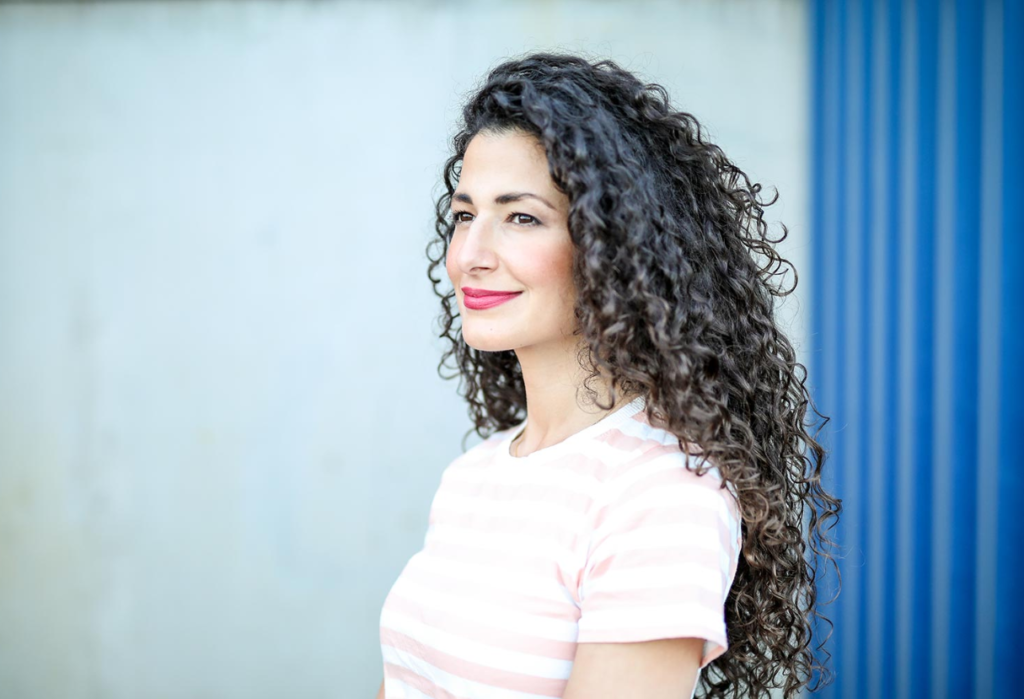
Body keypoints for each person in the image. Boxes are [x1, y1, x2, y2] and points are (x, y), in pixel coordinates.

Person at [375, 53, 840, 699]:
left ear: (612, 245)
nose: (469, 256)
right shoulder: (472, 476)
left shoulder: (660, 493)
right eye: (464, 215)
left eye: (521, 217)